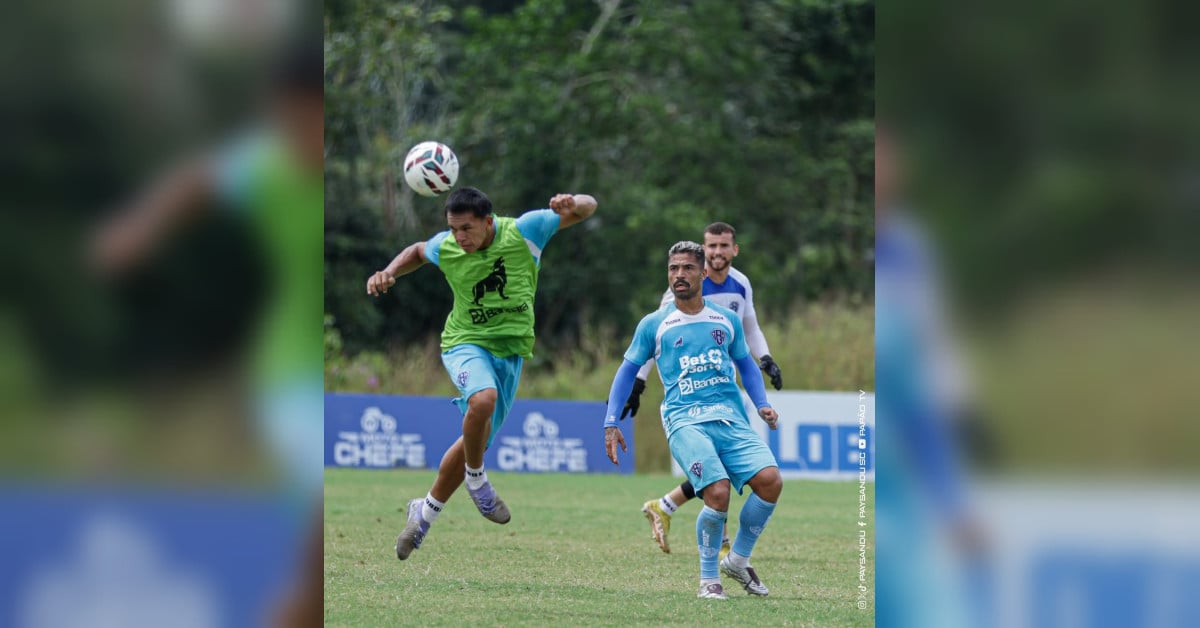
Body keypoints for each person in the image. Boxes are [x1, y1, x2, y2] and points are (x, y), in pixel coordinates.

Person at [368, 187, 597, 560]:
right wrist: (389, 272)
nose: (460, 237)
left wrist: (573, 202)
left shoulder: (526, 230)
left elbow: (589, 208)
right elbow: (417, 251)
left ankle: (423, 515)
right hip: (464, 343)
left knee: (476, 439)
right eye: (454, 229)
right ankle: (478, 481)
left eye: (467, 229)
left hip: (511, 353)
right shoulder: (448, 247)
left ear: (488, 222)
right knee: (483, 400)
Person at [603, 241, 782, 599]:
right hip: (685, 419)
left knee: (771, 481)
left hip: (730, 418)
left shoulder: (725, 319)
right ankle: (708, 580)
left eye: (687, 268)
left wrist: (761, 402)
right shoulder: (655, 323)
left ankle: (737, 560)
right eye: (673, 269)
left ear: (703, 273)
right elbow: (627, 369)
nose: (679, 275)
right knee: (717, 491)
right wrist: (611, 421)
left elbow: (745, 362)